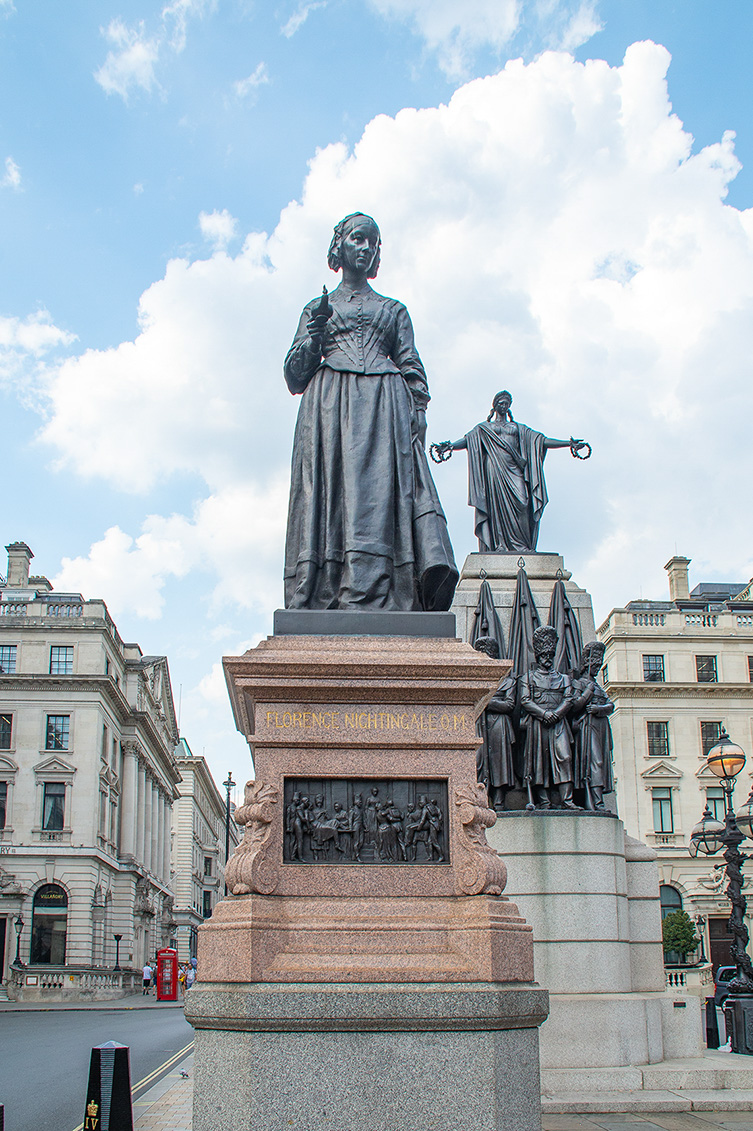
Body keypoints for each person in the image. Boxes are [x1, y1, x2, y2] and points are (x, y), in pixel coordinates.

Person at [283, 212, 458, 611]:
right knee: (334, 500)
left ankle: (385, 588)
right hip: (330, 410)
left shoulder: (394, 310)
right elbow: (294, 376)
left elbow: (412, 369)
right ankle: (329, 584)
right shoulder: (316, 308)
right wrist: (314, 337)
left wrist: (417, 418)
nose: (366, 248)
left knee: (380, 502)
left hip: (385, 410)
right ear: (339, 247)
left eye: (373, 243)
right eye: (358, 239)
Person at [433, 390, 588, 553]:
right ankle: (499, 545)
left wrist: (568, 444)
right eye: (501, 403)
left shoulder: (519, 428)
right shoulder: (485, 428)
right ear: (495, 405)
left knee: (523, 502)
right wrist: (450, 446)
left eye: (507, 403)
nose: (504, 405)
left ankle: (522, 545)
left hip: (514, 470)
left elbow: (541, 441)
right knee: (496, 508)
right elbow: (468, 441)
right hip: (494, 469)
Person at [519, 626, 577, 809]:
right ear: (538, 656)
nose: (547, 659)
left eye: (550, 656)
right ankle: (544, 801)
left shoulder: (565, 679)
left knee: (565, 757)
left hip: (559, 724)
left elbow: (569, 699)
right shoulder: (528, 678)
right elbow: (525, 700)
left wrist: (556, 714)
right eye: (544, 656)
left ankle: (567, 800)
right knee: (539, 762)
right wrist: (544, 714)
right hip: (538, 722)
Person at [472, 635, 516, 811]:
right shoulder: (474, 679)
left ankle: (499, 801)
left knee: (499, 763)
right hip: (479, 725)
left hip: (500, 726)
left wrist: (487, 701)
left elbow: (509, 704)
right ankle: (481, 798)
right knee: (479, 762)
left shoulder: (508, 681)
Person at [571, 641, 615, 812]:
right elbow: (574, 705)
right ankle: (596, 802)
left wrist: (599, 709)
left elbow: (611, 706)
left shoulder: (599, 686)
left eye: (598, 665)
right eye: (594, 665)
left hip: (600, 727)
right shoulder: (580, 684)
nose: (596, 668)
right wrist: (587, 692)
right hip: (587, 728)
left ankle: (598, 800)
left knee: (601, 763)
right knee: (593, 763)